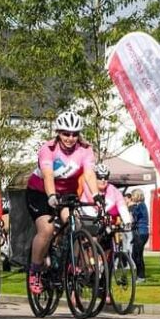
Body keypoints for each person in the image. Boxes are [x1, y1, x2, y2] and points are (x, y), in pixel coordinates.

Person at [25, 111, 103, 295]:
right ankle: (35, 270)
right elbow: (48, 174)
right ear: (58, 132)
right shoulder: (48, 149)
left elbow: (90, 175)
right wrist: (51, 195)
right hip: (40, 192)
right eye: (66, 133)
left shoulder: (85, 149)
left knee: (75, 224)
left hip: (66, 193)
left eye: (74, 134)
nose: (70, 138)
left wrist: (97, 196)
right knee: (47, 229)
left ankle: (71, 264)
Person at [128, 189, 149, 281]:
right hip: (139, 232)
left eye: (132, 195)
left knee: (137, 255)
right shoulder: (140, 205)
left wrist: (131, 207)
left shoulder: (141, 206)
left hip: (141, 232)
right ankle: (139, 274)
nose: (131, 198)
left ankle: (141, 275)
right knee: (135, 255)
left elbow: (135, 215)